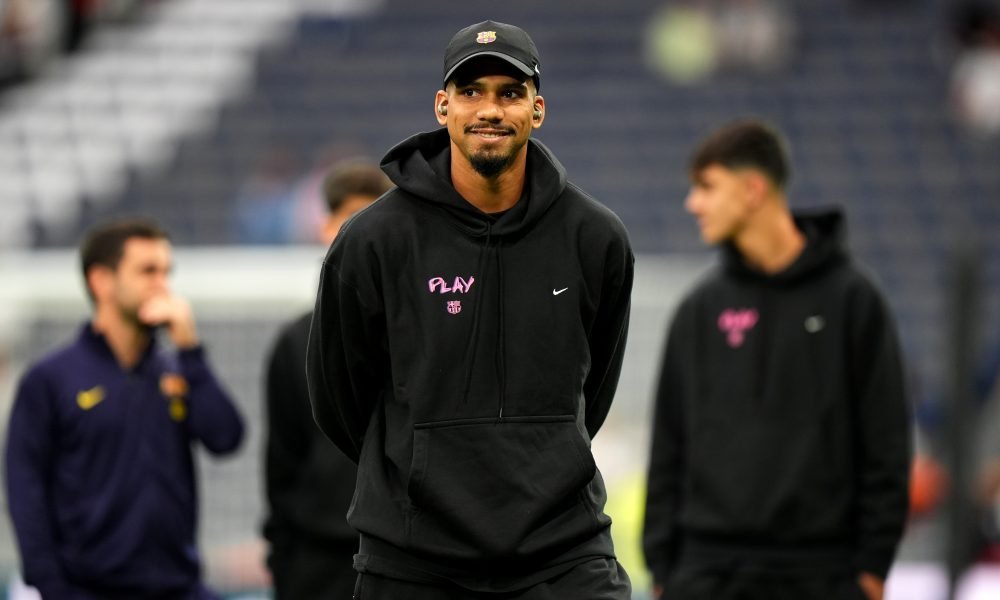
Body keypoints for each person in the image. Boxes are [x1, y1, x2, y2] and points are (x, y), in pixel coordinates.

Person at [305, 20, 635, 600]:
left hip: (562, 551)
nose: (490, 109)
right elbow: (340, 400)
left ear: (537, 110)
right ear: (443, 106)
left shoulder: (595, 237)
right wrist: (420, 460)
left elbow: (595, 389)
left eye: (510, 93)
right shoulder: (373, 241)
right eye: (471, 91)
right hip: (413, 558)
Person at [642, 120, 911, 600]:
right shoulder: (700, 308)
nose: (693, 203)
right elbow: (668, 444)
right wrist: (661, 566)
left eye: (707, 187)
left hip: (820, 573)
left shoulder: (853, 301)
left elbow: (886, 445)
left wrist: (873, 566)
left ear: (753, 190)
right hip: (707, 573)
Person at [4, 218, 245, 599]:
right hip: (88, 590)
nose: (162, 284)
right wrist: (51, 586)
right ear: (101, 281)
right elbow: (25, 488)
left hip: (176, 587)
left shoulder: (177, 370)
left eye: (166, 272)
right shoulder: (50, 379)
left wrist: (190, 351)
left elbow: (226, 438)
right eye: (148, 271)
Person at [262, 159, 392, 599]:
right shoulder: (295, 342)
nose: (359, 232)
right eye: (349, 219)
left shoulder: (422, 336)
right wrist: (284, 568)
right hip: (319, 566)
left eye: (370, 220)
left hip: (401, 561)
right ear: (325, 228)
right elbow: (281, 468)